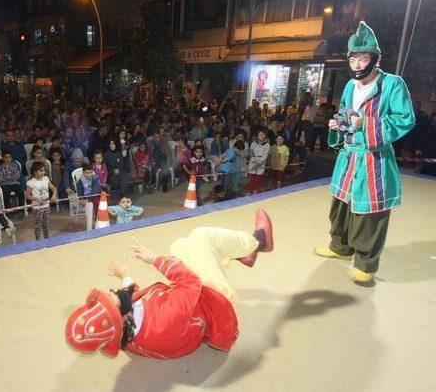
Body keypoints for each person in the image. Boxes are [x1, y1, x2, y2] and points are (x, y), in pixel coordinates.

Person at [66, 209, 274, 358]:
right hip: (215, 303)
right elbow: (191, 283)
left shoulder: (126, 332)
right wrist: (154, 260)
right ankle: (259, 242)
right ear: (122, 314)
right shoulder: (163, 319)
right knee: (199, 237)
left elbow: (134, 302)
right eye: (111, 297)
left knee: (182, 246)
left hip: (190, 310)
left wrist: (125, 275)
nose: (112, 291)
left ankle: (243, 254)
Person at [313, 21, 415, 284]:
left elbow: (405, 119)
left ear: (376, 59)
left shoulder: (393, 84)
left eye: (363, 58)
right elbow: (347, 115)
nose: (357, 64)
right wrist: (340, 123)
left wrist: (367, 124)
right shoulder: (349, 86)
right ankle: (340, 247)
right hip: (349, 157)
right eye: (354, 58)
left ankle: (367, 264)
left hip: (375, 160)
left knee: (370, 213)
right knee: (341, 205)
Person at [26, 161, 57, 240]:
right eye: (41, 171)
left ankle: (47, 239)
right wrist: (37, 199)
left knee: (45, 224)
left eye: (44, 170)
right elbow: (27, 195)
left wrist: (53, 196)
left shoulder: (46, 179)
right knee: (38, 225)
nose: (43, 172)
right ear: (35, 172)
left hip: (46, 206)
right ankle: (38, 241)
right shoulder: (31, 183)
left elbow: (54, 188)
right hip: (37, 208)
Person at [246, 130, 270, 195]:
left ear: (265, 136)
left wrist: (258, 163)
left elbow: (265, 156)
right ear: (257, 135)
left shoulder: (267, 145)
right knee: (252, 178)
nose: (261, 136)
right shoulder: (253, 143)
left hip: (261, 163)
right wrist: (253, 161)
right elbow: (250, 153)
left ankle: (257, 190)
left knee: (258, 178)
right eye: (260, 134)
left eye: (263, 134)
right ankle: (250, 191)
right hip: (253, 162)